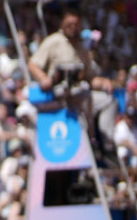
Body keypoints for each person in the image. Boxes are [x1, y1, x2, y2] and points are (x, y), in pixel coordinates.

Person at [27, 9, 117, 154]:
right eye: (69, 24)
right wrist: (43, 78)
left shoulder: (81, 48)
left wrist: (103, 82)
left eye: (76, 24)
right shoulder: (54, 41)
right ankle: (90, 142)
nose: (73, 27)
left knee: (109, 101)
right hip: (57, 93)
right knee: (85, 97)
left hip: (78, 93)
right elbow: (33, 64)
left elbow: (88, 77)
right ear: (63, 24)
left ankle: (107, 145)